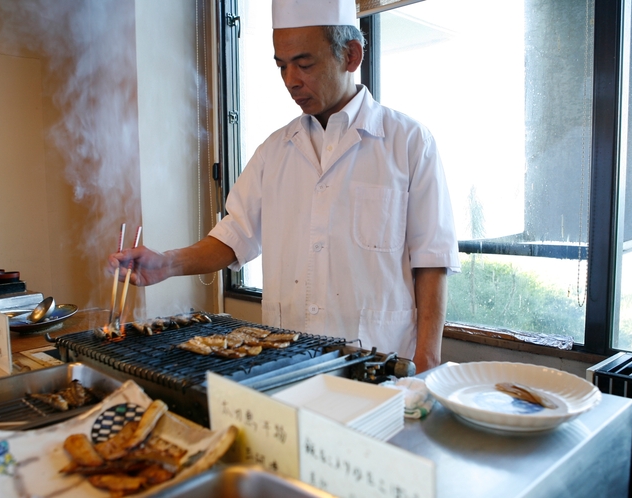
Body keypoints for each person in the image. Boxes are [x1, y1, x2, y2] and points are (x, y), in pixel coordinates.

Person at [108, 0, 459, 372]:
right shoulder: (274, 151)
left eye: (304, 64)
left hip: (379, 359)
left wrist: (427, 361)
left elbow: (431, 262)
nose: (291, 79)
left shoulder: (408, 142)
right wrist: (167, 263)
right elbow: (234, 236)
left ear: (351, 55)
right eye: (281, 65)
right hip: (286, 364)